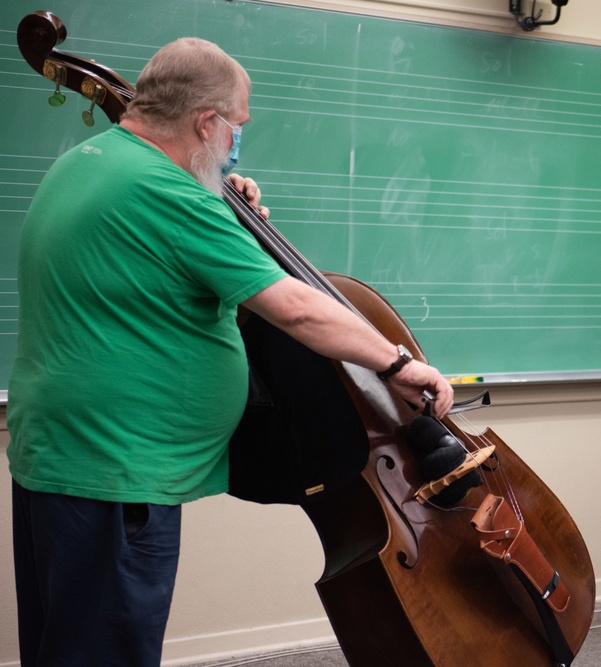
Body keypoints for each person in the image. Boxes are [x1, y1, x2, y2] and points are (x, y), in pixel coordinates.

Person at [7, 37, 454, 666]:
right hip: (117, 471)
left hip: (61, 454)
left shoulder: (90, 161)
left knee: (66, 645)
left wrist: (217, 203)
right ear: (206, 122)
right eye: (237, 126)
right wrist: (398, 363)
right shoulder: (169, 194)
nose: (238, 141)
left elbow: (155, 285)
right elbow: (295, 307)